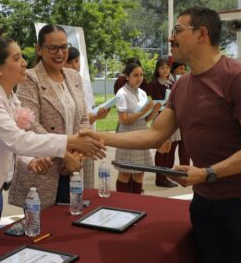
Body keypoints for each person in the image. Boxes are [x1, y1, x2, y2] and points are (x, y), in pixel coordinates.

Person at [83, 7, 241, 263]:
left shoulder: (238, 78)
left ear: (202, 34)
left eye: (177, 31)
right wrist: (100, 136)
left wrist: (209, 173)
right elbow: (155, 134)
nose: (170, 38)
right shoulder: (183, 86)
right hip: (206, 201)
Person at [0, 37, 106, 248]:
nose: (24, 63)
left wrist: (28, 161)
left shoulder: (9, 97)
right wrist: (70, 142)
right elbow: (16, 139)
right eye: (17, 58)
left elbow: (7, 143)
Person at [8, 25, 93, 209]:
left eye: (64, 47)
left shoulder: (73, 77)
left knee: (73, 224)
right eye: (53, 48)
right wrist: (64, 155)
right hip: (43, 171)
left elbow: (83, 119)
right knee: (39, 230)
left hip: (73, 170)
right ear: (39, 49)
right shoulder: (30, 79)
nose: (60, 53)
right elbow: (31, 126)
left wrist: (78, 154)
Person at [66, 46, 110, 190]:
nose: (74, 66)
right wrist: (94, 117)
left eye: (77, 61)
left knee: (88, 183)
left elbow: (87, 112)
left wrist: (97, 116)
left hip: (89, 137)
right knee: (73, 184)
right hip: (72, 141)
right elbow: (75, 120)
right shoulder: (63, 85)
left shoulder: (84, 83)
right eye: (70, 62)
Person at [112, 62, 157, 194]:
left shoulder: (142, 93)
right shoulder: (122, 93)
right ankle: (122, 203)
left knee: (140, 171)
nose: (139, 78)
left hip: (141, 133)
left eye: (141, 75)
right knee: (125, 172)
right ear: (127, 77)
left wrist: (153, 111)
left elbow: (145, 120)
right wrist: (144, 111)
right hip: (128, 135)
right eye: (135, 75)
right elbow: (123, 120)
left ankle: (137, 201)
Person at [144, 58, 187, 188]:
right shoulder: (154, 83)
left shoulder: (171, 83)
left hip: (172, 117)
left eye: (167, 68)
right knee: (162, 149)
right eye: (162, 68)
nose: (165, 70)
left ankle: (167, 176)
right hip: (160, 117)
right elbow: (155, 101)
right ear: (158, 69)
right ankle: (160, 177)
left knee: (170, 148)